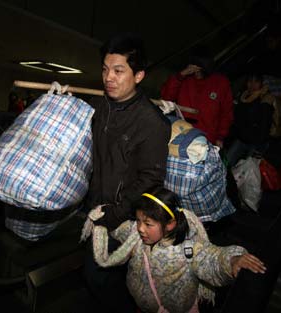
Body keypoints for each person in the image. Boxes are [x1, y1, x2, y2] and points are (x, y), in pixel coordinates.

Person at [82, 32, 171, 313]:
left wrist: (116, 214)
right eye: (106, 69)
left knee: (106, 281)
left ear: (139, 75)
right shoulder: (101, 107)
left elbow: (150, 179)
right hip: (94, 208)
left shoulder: (151, 123)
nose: (109, 77)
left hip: (123, 217)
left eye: (119, 71)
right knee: (98, 279)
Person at [86, 187, 266, 313]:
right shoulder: (135, 233)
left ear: (170, 224)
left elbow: (213, 258)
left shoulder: (188, 249)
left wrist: (232, 261)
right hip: (142, 306)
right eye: (139, 220)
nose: (140, 228)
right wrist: (103, 217)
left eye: (148, 224)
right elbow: (118, 228)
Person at [160, 48, 233, 148]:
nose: (196, 72)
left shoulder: (221, 83)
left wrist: (220, 136)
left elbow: (226, 112)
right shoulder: (183, 79)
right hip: (180, 133)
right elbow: (166, 98)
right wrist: (181, 75)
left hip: (205, 138)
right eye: (194, 68)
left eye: (200, 69)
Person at [225, 73, 275, 167]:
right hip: (242, 138)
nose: (252, 84)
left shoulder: (265, 98)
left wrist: (258, 148)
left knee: (247, 170)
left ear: (261, 84)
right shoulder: (243, 96)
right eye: (250, 81)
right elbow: (237, 117)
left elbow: (265, 124)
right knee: (227, 163)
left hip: (256, 143)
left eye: (256, 81)